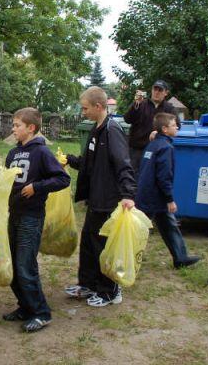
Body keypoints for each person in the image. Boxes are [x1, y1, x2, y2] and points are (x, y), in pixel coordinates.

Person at [0, 107, 70, 332]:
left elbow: (62, 179)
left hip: (32, 217)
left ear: (31, 128)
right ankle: (25, 306)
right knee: (12, 264)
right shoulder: (13, 153)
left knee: (25, 265)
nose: (13, 129)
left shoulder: (42, 153)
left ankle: (42, 313)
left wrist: (37, 187)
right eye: (13, 125)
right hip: (15, 215)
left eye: (17, 126)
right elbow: (9, 180)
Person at [64, 86, 136, 307]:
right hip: (95, 199)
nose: (83, 112)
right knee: (88, 242)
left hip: (108, 200)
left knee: (103, 247)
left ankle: (110, 291)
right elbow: (89, 164)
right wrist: (70, 160)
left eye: (85, 108)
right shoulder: (97, 129)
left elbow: (123, 164)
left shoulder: (111, 130)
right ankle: (88, 284)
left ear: (98, 106)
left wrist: (127, 194)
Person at [135, 113, 200, 268]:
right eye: (173, 125)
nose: (177, 126)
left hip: (146, 193)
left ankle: (180, 258)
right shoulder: (165, 148)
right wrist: (169, 199)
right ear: (164, 129)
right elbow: (164, 176)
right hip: (154, 196)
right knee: (139, 229)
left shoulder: (153, 145)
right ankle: (125, 256)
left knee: (168, 225)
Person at [124, 79, 181, 173]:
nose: (156, 92)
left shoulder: (169, 108)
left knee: (152, 179)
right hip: (137, 151)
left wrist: (159, 133)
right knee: (133, 180)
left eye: (160, 90)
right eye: (155, 89)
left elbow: (177, 126)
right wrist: (136, 104)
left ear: (166, 93)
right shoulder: (141, 104)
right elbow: (127, 119)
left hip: (158, 151)